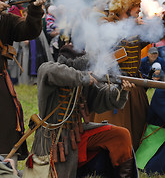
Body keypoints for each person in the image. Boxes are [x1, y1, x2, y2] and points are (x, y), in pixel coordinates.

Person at [26, 45, 137, 177]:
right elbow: (49, 71)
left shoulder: (85, 82)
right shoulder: (51, 71)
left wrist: (121, 90)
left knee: (120, 135)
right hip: (52, 140)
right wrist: (82, 77)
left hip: (77, 134)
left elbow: (104, 96)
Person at [92, 0, 165, 150]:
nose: (139, 10)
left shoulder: (134, 26)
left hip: (134, 83)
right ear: (125, 7)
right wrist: (131, 26)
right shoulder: (105, 23)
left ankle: (132, 157)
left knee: (137, 125)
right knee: (112, 128)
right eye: (136, 6)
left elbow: (156, 36)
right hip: (112, 83)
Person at [0, 0, 47, 163]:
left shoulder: (7, 19)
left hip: (1, 76)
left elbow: (28, 31)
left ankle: (5, 162)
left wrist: (35, 10)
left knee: (9, 120)